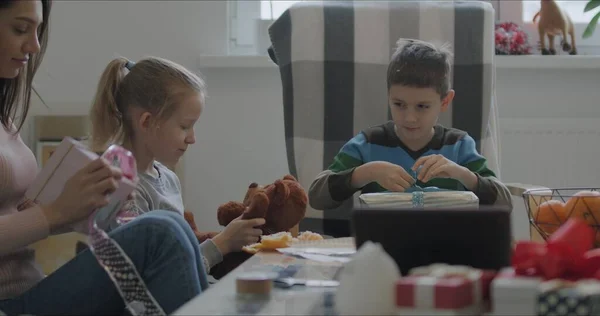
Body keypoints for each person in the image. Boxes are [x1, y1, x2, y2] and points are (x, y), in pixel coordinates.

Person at [0, 1, 208, 314]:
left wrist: (75, 206)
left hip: (33, 286)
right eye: (20, 29)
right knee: (160, 232)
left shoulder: (6, 119)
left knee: (169, 225)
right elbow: (41, 219)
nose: (35, 45)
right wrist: (54, 213)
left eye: (38, 30)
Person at [88, 56, 265, 274]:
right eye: (184, 126)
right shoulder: (120, 187)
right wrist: (222, 244)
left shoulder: (168, 178)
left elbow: (178, 257)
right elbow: (160, 278)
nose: (192, 138)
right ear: (147, 122)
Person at [308, 38, 512, 210]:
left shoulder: (459, 145)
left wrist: (463, 174)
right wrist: (365, 172)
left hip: (446, 247)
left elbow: (504, 203)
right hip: (382, 248)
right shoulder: (368, 143)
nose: (409, 118)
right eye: (399, 104)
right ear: (388, 97)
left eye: (422, 106)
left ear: (445, 101)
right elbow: (316, 197)